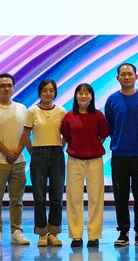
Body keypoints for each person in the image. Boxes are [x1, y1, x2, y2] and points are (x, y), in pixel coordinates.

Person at [105, 63, 138, 247]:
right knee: (121, 196)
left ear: (136, 76)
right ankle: (123, 232)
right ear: (118, 78)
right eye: (123, 74)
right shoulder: (112, 100)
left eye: (130, 74)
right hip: (119, 155)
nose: (126, 77)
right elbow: (110, 125)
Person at [0, 73, 30, 246]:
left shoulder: (22, 108)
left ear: (13, 87)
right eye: (2, 86)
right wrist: (7, 152)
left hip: (19, 161)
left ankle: (16, 231)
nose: (6, 88)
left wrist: (16, 152)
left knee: (17, 200)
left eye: (9, 85)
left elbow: (26, 133)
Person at [61, 83, 109, 248]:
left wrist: (93, 146)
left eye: (87, 93)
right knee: (74, 198)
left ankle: (94, 236)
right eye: (80, 93)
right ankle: (76, 235)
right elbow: (66, 137)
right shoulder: (68, 116)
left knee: (96, 198)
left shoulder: (98, 115)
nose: (83, 96)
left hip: (95, 161)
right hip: (74, 161)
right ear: (75, 97)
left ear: (91, 97)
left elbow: (103, 135)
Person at [19, 78, 66, 246]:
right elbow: (25, 135)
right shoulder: (32, 111)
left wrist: (60, 147)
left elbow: (66, 134)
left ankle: (54, 232)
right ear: (40, 93)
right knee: (39, 196)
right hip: (38, 154)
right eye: (45, 90)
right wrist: (33, 152)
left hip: (57, 154)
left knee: (56, 196)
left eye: (51, 90)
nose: (48, 93)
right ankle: (41, 233)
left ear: (55, 93)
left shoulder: (61, 111)